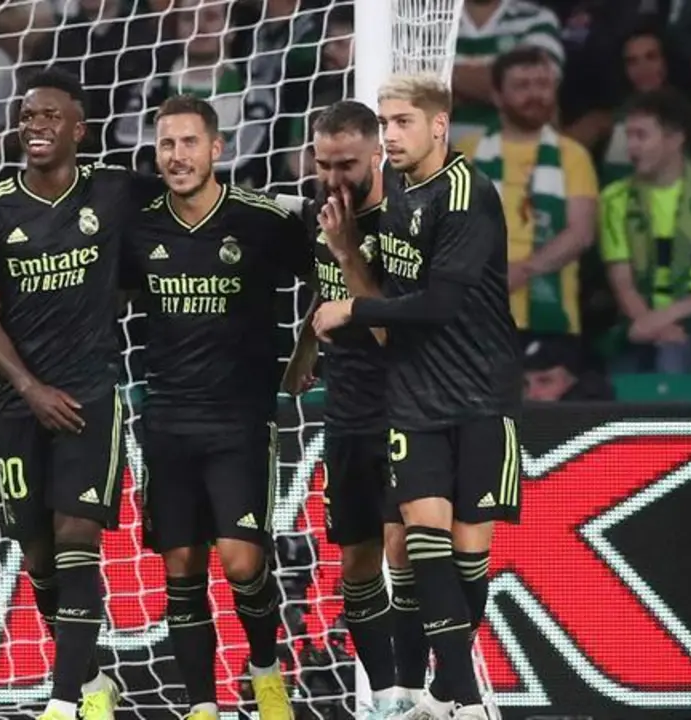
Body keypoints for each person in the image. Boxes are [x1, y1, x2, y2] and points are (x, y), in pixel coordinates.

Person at [310, 73, 522, 720]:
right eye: (387, 121)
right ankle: (458, 699)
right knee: (422, 542)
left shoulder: (468, 196)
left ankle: (447, 689)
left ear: (439, 124)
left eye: (402, 121)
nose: (393, 134)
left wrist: (349, 308)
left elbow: (438, 305)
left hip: (482, 394)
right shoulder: (396, 191)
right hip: (412, 394)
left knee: (466, 557)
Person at [0, 68, 149, 720]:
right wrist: (30, 388)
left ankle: (64, 702)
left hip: (91, 396)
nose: (35, 127)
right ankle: (92, 679)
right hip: (20, 403)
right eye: (28, 116)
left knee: (77, 538)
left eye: (49, 117)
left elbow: (189, 202)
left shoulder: (115, 191)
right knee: (37, 552)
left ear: (78, 128)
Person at [122, 94, 313, 720]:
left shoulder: (262, 219)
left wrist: (308, 348)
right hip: (167, 418)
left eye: (189, 143)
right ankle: (202, 706)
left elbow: (331, 268)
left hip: (239, 419)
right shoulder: (140, 225)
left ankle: (264, 669)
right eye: (167, 145)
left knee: (241, 561)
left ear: (217, 148)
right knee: (181, 569)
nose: (178, 156)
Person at [283, 100, 427, 718]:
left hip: (406, 405)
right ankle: (387, 698)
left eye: (348, 164)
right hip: (345, 409)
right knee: (358, 560)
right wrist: (303, 352)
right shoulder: (321, 215)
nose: (336, 178)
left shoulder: (406, 219)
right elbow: (326, 292)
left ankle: (419, 690)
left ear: (377, 155)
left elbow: (391, 329)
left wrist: (346, 251)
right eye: (325, 164)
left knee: (408, 554)